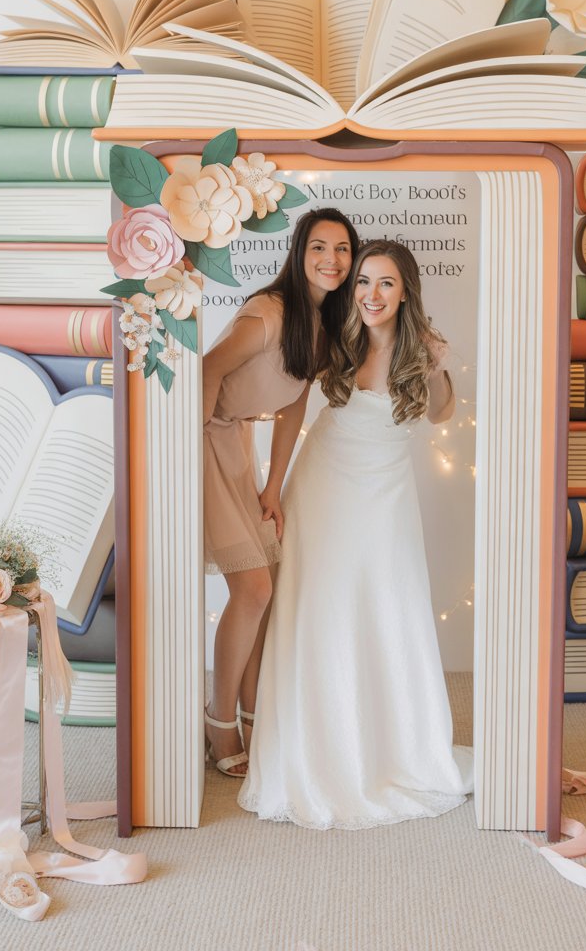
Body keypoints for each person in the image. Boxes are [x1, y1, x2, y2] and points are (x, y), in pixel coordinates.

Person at [239, 239, 472, 827]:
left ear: (405, 291)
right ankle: (312, 746)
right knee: (316, 609)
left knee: (387, 609)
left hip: (385, 498)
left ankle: (391, 748)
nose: (371, 294)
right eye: (364, 281)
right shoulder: (332, 337)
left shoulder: (421, 349)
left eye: (385, 283)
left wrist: (438, 363)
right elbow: (293, 407)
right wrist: (273, 484)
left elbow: (442, 412)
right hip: (322, 486)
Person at [203, 208, 359, 777]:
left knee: (267, 579)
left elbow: (295, 401)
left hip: (238, 444)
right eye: (319, 247)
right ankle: (219, 725)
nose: (332, 260)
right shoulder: (267, 314)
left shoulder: (321, 325)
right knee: (252, 586)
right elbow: (206, 371)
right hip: (205, 439)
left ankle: (251, 713)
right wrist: (192, 448)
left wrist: (272, 485)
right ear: (298, 253)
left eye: (342, 249)